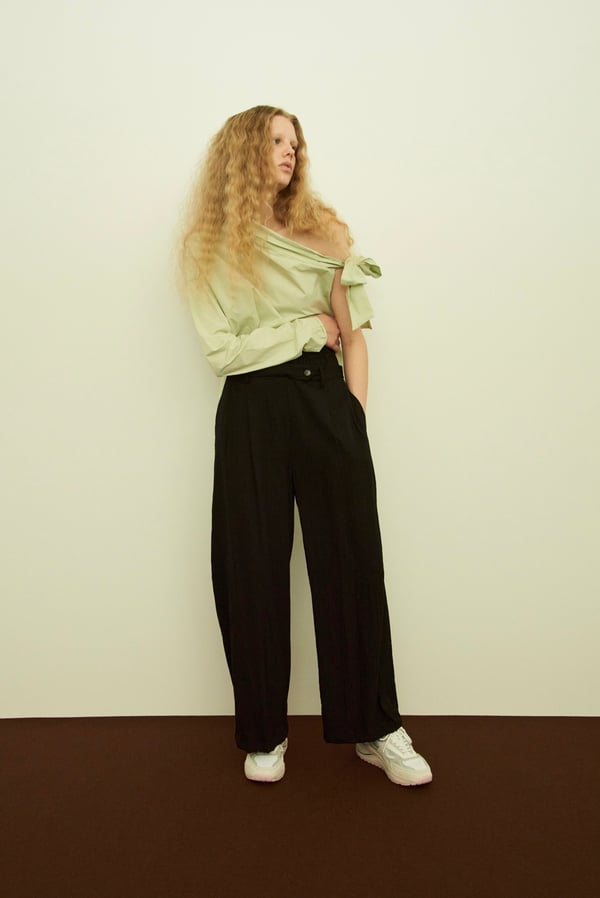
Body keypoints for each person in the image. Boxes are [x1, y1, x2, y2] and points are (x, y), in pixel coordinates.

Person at [179, 105, 432, 786]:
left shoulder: (326, 232)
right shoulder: (208, 246)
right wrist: (304, 331)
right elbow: (223, 353)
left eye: (294, 142)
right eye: (274, 141)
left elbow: (353, 336)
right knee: (251, 568)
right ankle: (264, 734)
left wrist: (353, 420)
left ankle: (376, 727)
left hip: (326, 403)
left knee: (353, 563)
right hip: (251, 410)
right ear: (242, 152)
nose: (289, 152)